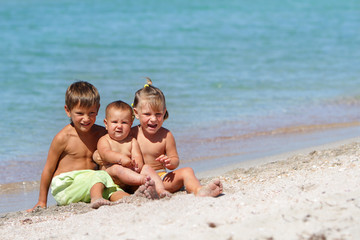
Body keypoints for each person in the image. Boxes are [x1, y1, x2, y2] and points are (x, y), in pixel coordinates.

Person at [27, 81, 155, 212]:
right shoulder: (63, 137)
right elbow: (48, 169)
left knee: (112, 189)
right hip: (66, 185)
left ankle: (132, 200)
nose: (86, 118)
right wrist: (42, 201)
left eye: (91, 113)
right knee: (100, 176)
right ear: (68, 111)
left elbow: (122, 143)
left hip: (93, 184)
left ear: (98, 109)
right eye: (80, 113)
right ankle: (96, 199)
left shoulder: (101, 133)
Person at [131, 78, 223, 197]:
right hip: (138, 179)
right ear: (136, 113)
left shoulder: (166, 135)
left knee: (187, 171)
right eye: (147, 114)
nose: (153, 119)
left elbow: (175, 160)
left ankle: (199, 190)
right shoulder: (132, 133)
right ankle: (148, 190)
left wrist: (169, 163)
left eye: (158, 114)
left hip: (162, 178)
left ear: (164, 113)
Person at [94, 100, 171, 198]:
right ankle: (144, 180)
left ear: (131, 124)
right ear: (106, 123)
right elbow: (105, 154)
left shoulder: (132, 141)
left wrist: (137, 165)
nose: (119, 126)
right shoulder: (104, 140)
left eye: (124, 122)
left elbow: (137, 156)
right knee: (117, 168)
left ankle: (160, 190)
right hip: (113, 177)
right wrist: (120, 158)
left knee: (146, 168)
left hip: (131, 178)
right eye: (114, 122)